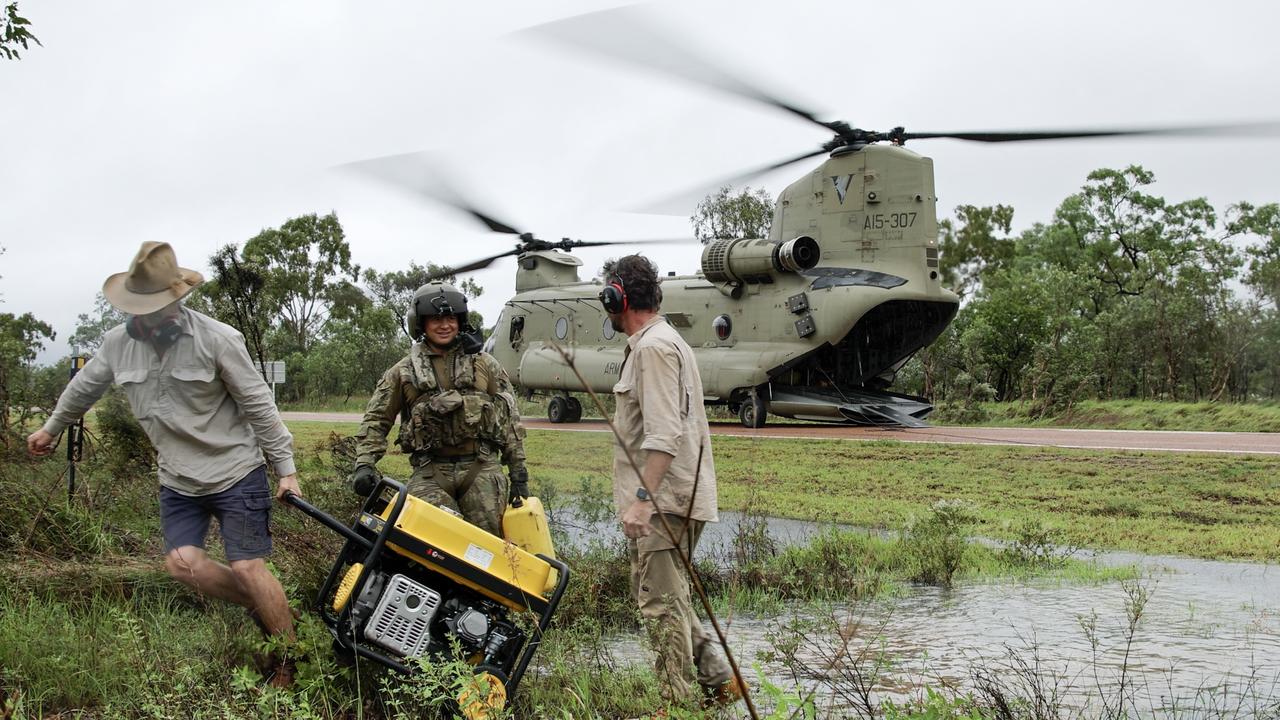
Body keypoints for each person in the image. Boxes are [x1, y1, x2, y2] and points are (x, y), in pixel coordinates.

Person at [26, 242, 302, 686]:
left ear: (178, 300)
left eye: (166, 305)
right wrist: (52, 427)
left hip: (235, 470)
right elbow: (85, 388)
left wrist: (286, 470)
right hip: (177, 478)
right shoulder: (117, 345)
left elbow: (258, 405)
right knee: (182, 564)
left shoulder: (217, 338)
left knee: (250, 566)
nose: (159, 315)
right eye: (147, 308)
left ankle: (290, 661)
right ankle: (276, 611)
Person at [599, 254, 744, 710]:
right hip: (668, 499)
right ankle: (719, 680)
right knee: (669, 594)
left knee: (658, 605)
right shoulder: (657, 342)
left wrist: (643, 500)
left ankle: (676, 705)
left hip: (664, 502)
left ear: (616, 298)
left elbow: (664, 434)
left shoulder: (653, 349)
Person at [351, 281, 527, 536]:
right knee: (431, 547)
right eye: (436, 319)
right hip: (430, 472)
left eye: (451, 318)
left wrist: (519, 473)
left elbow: (510, 420)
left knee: (488, 552)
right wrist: (364, 464)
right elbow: (377, 419)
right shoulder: (403, 371)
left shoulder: (486, 364)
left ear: (460, 320)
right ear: (421, 323)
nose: (445, 325)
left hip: (482, 469)